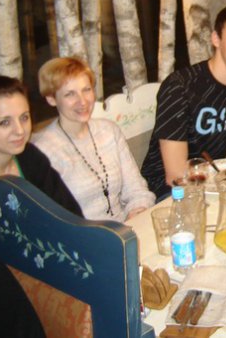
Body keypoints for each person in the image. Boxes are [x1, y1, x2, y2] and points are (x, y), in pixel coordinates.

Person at [141, 3, 226, 198]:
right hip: (167, 192)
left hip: (214, 185)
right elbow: (175, 175)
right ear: (216, 39)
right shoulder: (180, 86)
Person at [33, 57, 155, 222]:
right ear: (51, 98)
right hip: (82, 235)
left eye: (86, 90)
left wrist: (137, 212)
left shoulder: (109, 131)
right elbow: (54, 221)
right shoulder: (44, 151)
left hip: (126, 227)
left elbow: (137, 190)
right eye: (70, 94)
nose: (82, 101)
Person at [0, 75, 81, 216]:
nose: (20, 130)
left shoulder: (30, 157)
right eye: (5, 122)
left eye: (24, 117)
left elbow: (69, 214)